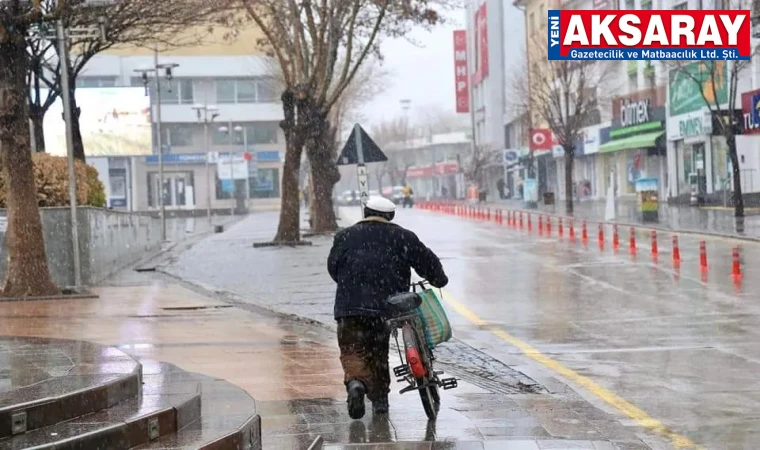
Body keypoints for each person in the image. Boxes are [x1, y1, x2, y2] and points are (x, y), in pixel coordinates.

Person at [327, 197, 448, 419]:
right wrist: (439, 279)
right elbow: (427, 262)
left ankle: (356, 383)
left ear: (365, 213)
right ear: (391, 216)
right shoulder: (403, 236)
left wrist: (352, 286)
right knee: (378, 352)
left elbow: (333, 268)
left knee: (352, 350)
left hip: (349, 307)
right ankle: (380, 400)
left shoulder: (344, 236)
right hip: (386, 307)